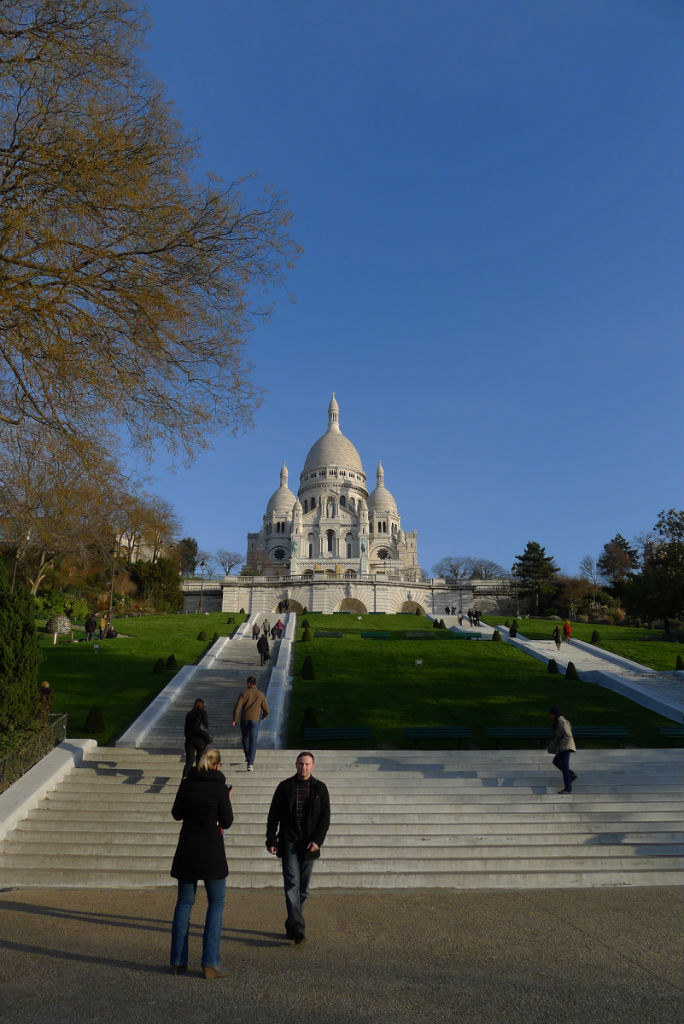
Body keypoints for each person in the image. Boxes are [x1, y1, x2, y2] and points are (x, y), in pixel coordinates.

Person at [169, 748, 234, 979]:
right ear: (217, 765)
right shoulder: (219, 787)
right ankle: (210, 962)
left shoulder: (187, 784)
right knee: (216, 904)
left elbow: (176, 813)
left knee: (184, 904)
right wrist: (225, 800)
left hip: (187, 848)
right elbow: (227, 821)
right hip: (211, 851)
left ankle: (177, 961)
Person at [266, 751, 330, 945]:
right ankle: (299, 928)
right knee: (292, 883)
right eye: (301, 764)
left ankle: (292, 923)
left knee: (303, 889)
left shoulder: (320, 789)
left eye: (307, 764)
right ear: (296, 765)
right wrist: (271, 840)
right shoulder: (285, 787)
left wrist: (318, 841)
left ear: (313, 766)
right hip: (289, 842)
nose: (304, 767)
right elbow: (273, 816)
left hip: (309, 844)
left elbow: (324, 819)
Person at [232, 675, 269, 771]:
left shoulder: (244, 693)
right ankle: (250, 763)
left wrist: (235, 719)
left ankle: (248, 757)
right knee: (253, 741)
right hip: (255, 720)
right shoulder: (261, 694)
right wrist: (263, 716)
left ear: (248, 683)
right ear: (255, 683)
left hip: (244, 719)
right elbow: (266, 709)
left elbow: (237, 707)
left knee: (245, 738)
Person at [548, 705, 577, 794]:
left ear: (554, 714)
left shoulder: (561, 720)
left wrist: (562, 747)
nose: (550, 716)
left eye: (551, 714)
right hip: (564, 747)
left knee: (564, 767)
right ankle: (571, 774)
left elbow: (568, 734)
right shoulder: (559, 720)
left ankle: (568, 789)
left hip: (565, 747)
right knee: (556, 762)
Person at [183, 699, 212, 778]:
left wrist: (188, 738)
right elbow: (205, 726)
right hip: (200, 741)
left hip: (190, 741)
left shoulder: (189, 714)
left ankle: (184, 780)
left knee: (189, 762)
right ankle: (197, 780)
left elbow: (185, 729)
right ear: (203, 705)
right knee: (199, 763)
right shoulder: (203, 713)